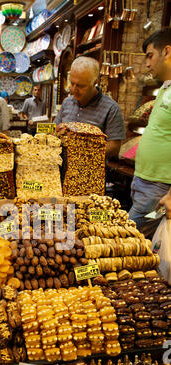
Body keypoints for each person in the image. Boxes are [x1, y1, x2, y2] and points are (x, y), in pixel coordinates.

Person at [128, 28, 171, 234]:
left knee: (128, 238)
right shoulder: (164, 88)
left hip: (159, 187)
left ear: (167, 52)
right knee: (138, 249)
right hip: (143, 180)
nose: (147, 64)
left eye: (150, 56)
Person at [54, 57, 126, 158]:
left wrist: (85, 156)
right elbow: (54, 129)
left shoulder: (111, 108)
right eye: (72, 83)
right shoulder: (67, 102)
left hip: (90, 171)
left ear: (94, 82)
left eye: (80, 86)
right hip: (62, 169)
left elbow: (114, 147)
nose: (74, 89)